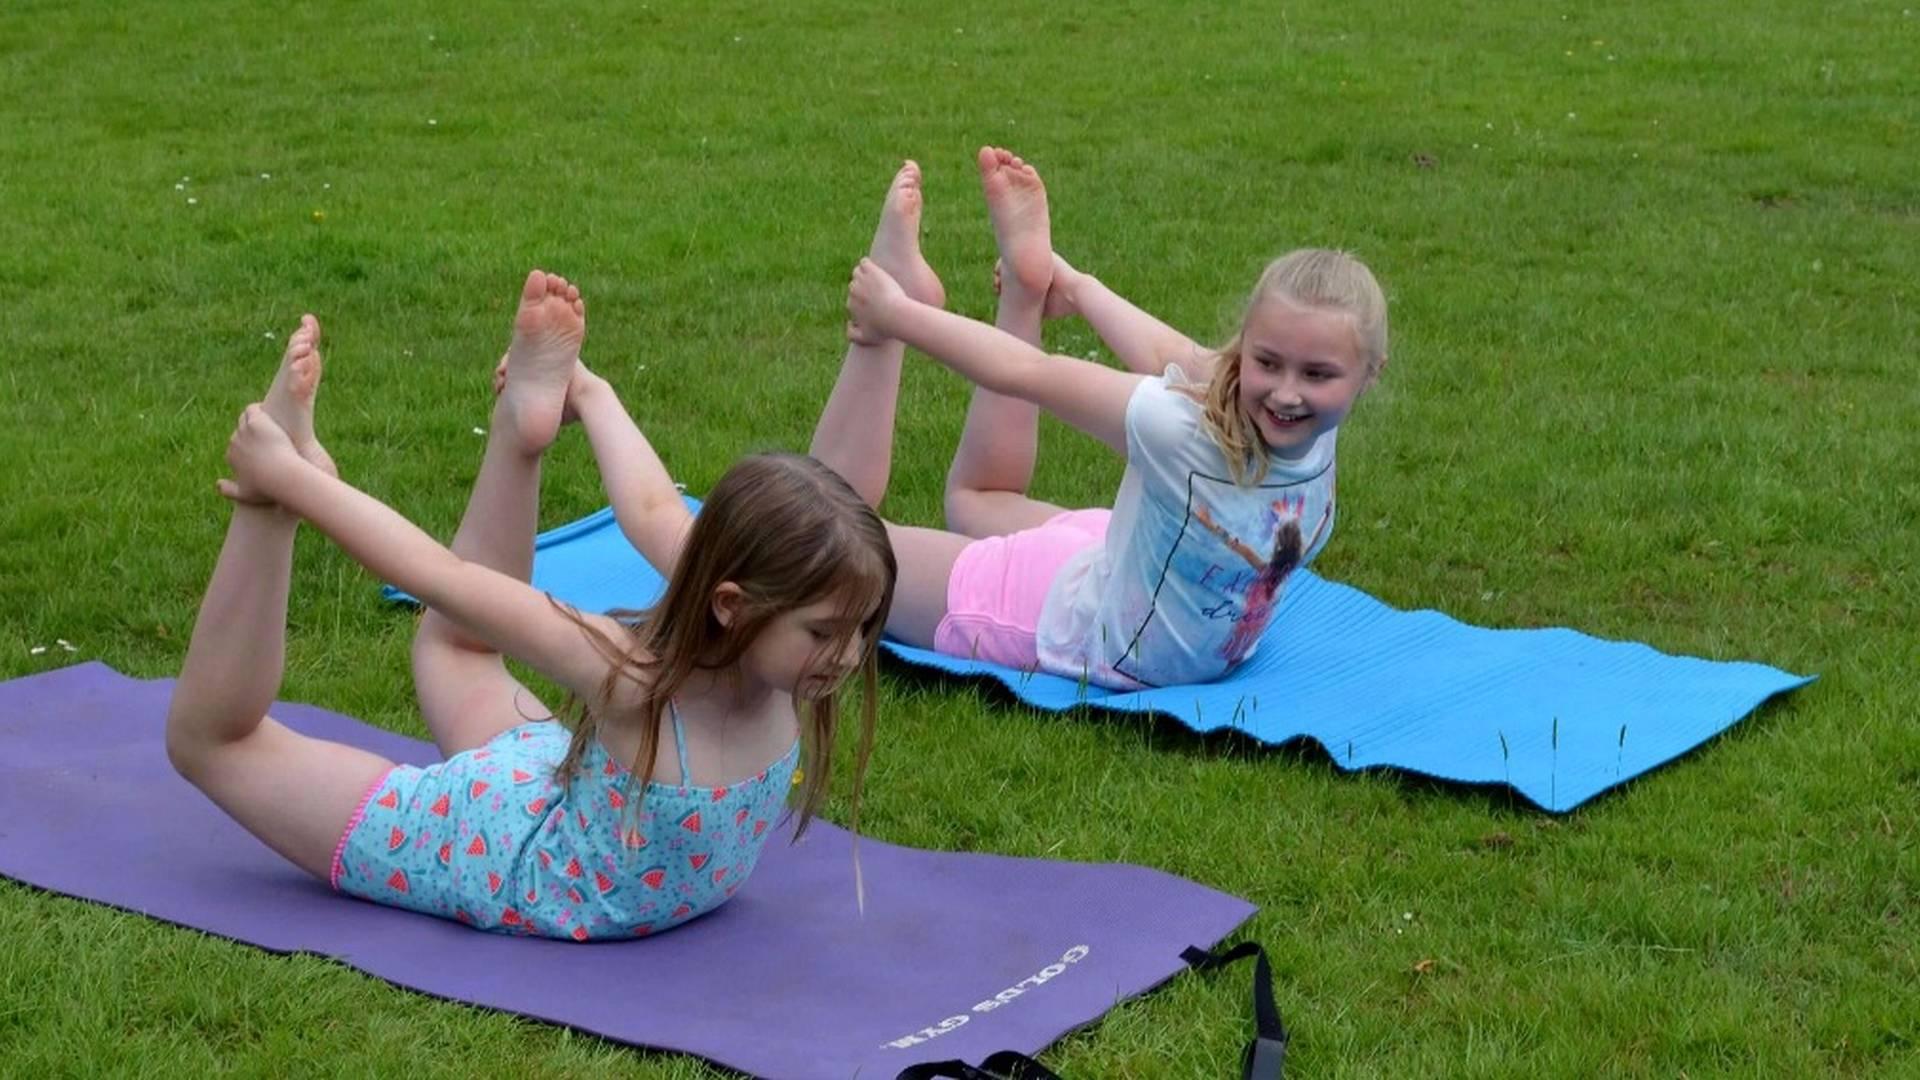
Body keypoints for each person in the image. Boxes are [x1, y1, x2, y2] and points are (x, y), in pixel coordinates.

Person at [166, 271, 895, 941]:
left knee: (460, 650)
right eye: (827, 632)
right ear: (734, 605)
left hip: (555, 784)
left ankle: (523, 425)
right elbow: (439, 577)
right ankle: (266, 509)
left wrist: (590, 392)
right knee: (212, 744)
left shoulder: (754, 614)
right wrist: (290, 484)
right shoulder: (628, 680)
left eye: (862, 628)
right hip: (490, 852)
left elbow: (649, 508)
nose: (851, 655)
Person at [814, 149, 1387, 690]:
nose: (1287, 393)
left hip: (1122, 573)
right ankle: (890, 315)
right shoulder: (1181, 431)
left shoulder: (1296, 424)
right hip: (1072, 622)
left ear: (1367, 374)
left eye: (1316, 375)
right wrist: (894, 317)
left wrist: (1078, 287)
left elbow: (1178, 356)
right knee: (821, 547)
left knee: (965, 504)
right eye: (1268, 362)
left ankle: (1021, 291)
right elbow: (1027, 371)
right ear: (1244, 352)